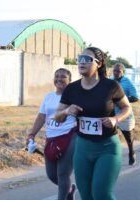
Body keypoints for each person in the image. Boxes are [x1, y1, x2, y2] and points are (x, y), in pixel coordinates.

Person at [55, 47, 132, 200]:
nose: (82, 62)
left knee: (102, 194)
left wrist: (115, 119)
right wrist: (66, 111)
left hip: (107, 148)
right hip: (82, 148)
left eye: (87, 59)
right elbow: (57, 117)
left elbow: (127, 108)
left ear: (99, 63)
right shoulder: (71, 89)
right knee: (86, 195)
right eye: (80, 58)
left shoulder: (111, 86)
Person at [27, 68, 77, 200]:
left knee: (62, 174)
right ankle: (69, 189)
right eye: (57, 76)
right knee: (51, 174)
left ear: (69, 81)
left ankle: (63, 195)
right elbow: (41, 117)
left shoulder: (74, 97)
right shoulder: (49, 96)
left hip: (69, 136)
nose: (59, 79)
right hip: (52, 138)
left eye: (63, 77)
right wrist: (32, 134)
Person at [112, 63, 139, 166]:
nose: (116, 73)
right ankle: (113, 156)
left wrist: (121, 101)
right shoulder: (110, 81)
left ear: (123, 72)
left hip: (124, 113)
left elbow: (135, 97)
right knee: (111, 136)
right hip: (111, 114)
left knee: (128, 136)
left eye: (118, 71)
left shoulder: (128, 82)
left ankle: (131, 152)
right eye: (114, 71)